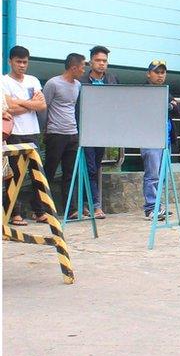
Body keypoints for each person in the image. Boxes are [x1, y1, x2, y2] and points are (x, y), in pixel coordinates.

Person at [1, 46, 47, 225]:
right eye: (18, 62)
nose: (22, 65)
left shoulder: (33, 80)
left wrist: (18, 103)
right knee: (15, 174)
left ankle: (39, 211)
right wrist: (30, 104)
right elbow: (7, 107)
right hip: (14, 132)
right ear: (10, 61)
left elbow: (42, 105)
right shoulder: (4, 81)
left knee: (36, 172)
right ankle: (14, 213)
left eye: (25, 62)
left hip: (32, 131)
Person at [42, 53, 86, 217]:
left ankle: (71, 209)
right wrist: (45, 130)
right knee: (49, 171)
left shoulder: (78, 85)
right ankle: (40, 208)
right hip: (56, 133)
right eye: (82, 67)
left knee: (70, 173)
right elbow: (43, 107)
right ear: (73, 67)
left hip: (72, 133)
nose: (83, 70)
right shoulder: (53, 83)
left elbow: (73, 108)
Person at [81, 45, 118, 219]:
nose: (102, 64)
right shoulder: (81, 80)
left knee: (95, 168)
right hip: (85, 131)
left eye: (104, 61)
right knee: (88, 167)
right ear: (90, 62)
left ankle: (85, 204)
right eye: (98, 60)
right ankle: (95, 205)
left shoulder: (111, 79)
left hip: (103, 131)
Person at [142, 60, 180, 220]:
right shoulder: (143, 91)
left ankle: (159, 206)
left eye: (162, 72)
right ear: (148, 74)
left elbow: (178, 110)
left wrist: (171, 105)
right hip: (150, 139)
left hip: (166, 140)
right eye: (157, 72)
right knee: (152, 175)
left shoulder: (166, 91)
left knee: (163, 175)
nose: (160, 75)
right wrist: (168, 105)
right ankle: (151, 208)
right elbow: (147, 110)